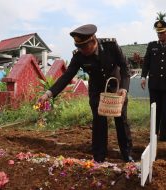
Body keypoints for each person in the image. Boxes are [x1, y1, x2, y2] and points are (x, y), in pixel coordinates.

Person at [38, 24, 133, 163]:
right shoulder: (79, 56)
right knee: (99, 123)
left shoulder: (111, 46)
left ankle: (127, 155)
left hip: (116, 88)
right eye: (79, 48)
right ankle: (99, 158)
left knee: (121, 121)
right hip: (96, 90)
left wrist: (124, 88)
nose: (82, 51)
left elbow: (125, 67)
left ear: (93, 41)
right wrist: (48, 94)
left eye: (84, 47)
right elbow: (67, 76)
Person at [141, 20, 166, 141]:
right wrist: (143, 77)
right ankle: (154, 133)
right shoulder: (152, 46)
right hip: (154, 84)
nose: (159, 35)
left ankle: (164, 134)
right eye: (158, 33)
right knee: (154, 109)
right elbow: (146, 63)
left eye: (162, 33)